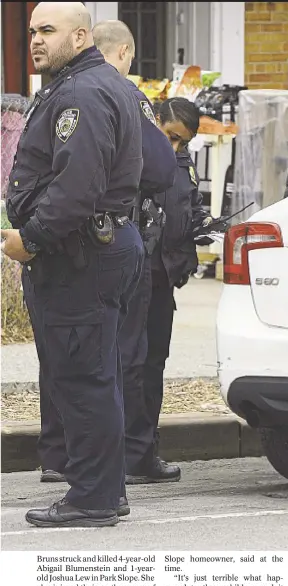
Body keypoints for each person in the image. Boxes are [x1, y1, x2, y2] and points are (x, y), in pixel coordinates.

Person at [2, 2, 143, 527]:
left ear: (81, 35)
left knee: (83, 378)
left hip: (79, 253)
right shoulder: (90, 85)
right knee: (91, 375)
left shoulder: (81, 94)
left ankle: (93, 497)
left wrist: (32, 240)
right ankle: (104, 489)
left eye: (48, 31)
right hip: (93, 247)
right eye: (32, 30)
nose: (35, 39)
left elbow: (77, 186)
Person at [36, 19, 178, 489]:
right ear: (125, 54)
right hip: (101, 238)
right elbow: (160, 167)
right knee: (113, 359)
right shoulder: (117, 90)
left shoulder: (58, 93)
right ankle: (118, 468)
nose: (36, 39)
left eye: (45, 30)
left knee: (67, 355)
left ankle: (62, 456)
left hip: (63, 246)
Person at [126, 97, 213, 484]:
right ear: (155, 121)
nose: (175, 148)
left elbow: (188, 207)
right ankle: (124, 454)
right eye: (171, 137)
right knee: (128, 365)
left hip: (164, 275)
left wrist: (206, 225)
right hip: (131, 273)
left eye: (184, 142)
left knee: (153, 365)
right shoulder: (133, 153)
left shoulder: (182, 163)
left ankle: (145, 452)